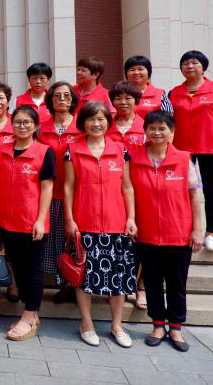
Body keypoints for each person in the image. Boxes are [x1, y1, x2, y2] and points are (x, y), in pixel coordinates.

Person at [63, 100, 137, 348]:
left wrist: (131, 217)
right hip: (85, 223)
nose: (96, 124)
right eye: (91, 119)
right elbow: (68, 187)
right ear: (83, 123)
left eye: (101, 119)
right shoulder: (72, 150)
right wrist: (70, 219)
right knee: (83, 276)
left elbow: (127, 186)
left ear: (108, 122)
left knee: (118, 276)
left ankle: (117, 325)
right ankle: (86, 323)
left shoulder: (120, 150)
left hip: (117, 224)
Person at [130, 111, 204, 352]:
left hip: (178, 234)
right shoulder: (135, 159)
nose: (157, 132)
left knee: (176, 284)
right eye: (152, 128)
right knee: (152, 282)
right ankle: (158, 325)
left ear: (172, 132)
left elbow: (194, 197)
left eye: (162, 128)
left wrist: (197, 230)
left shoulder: (185, 159)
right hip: (147, 234)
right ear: (145, 131)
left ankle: (176, 327)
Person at [0, 106, 55, 341]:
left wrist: (40, 219)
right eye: (18, 121)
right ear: (11, 124)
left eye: (27, 122)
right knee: (17, 267)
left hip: (31, 222)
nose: (22, 126)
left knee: (33, 270)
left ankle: (29, 315)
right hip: (7, 221)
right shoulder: (2, 151)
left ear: (35, 125)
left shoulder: (44, 152)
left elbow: (47, 187)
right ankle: (31, 314)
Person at [169, 50, 213, 253]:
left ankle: (210, 234)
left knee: (211, 190)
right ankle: (186, 230)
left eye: (194, 63)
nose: (189, 66)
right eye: (185, 63)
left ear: (204, 67)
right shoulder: (174, 93)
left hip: (210, 147)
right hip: (181, 150)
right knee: (182, 190)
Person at [38, 82, 82, 305]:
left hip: (77, 194)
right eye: (57, 95)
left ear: (73, 99)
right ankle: (63, 284)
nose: (62, 99)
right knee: (56, 242)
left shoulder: (81, 127)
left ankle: (77, 284)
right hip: (49, 194)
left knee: (74, 241)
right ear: (50, 100)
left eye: (66, 95)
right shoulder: (40, 129)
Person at [107, 82, 146, 152]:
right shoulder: (106, 126)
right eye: (118, 98)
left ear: (136, 100)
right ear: (112, 102)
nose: (123, 102)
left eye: (128, 98)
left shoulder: (145, 126)